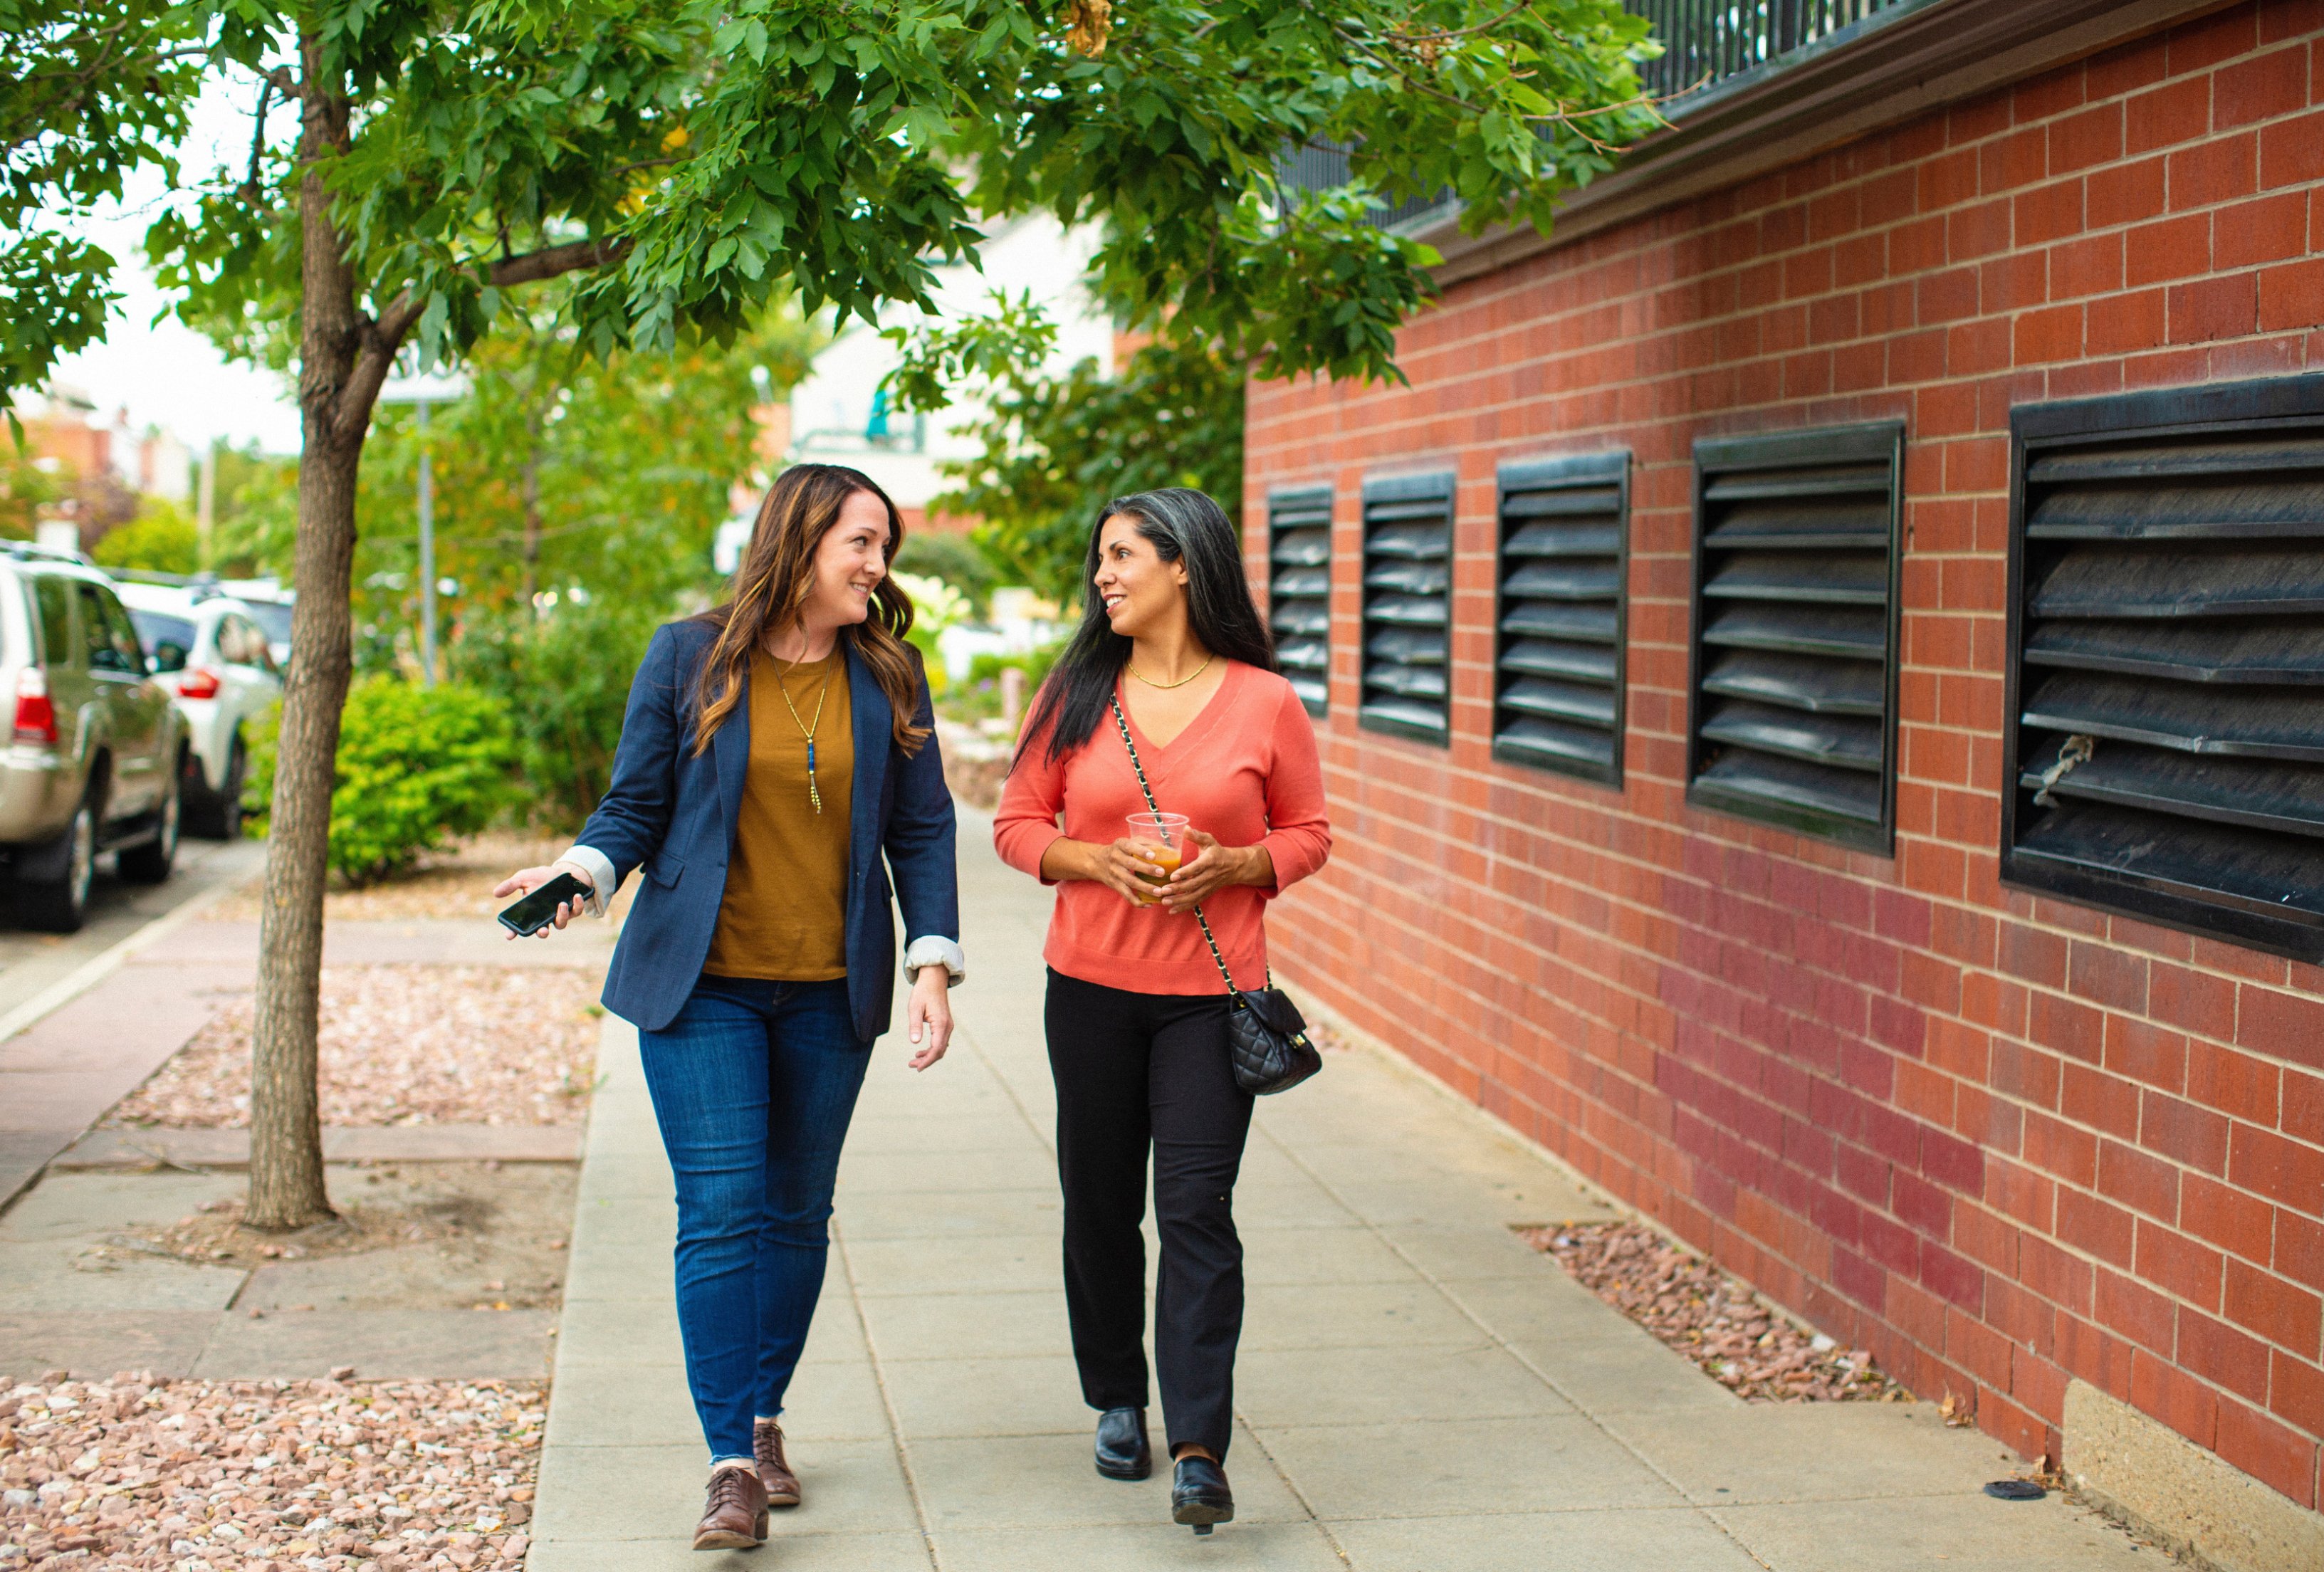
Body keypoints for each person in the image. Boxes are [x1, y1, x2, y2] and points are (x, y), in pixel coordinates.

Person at [495, 463, 963, 1551]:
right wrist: (580, 876)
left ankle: (763, 1414)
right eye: (862, 543)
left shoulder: (889, 672)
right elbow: (636, 803)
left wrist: (931, 963)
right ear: (801, 542)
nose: (877, 565)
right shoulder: (688, 654)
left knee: (797, 1215)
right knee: (720, 1211)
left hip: (828, 989)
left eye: (883, 546)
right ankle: (729, 1466)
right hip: (700, 984)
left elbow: (925, 828)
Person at [993, 487, 1330, 1534]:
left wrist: (1239, 862)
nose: (1105, 575)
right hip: (1089, 992)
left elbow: (1311, 831)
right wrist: (1094, 860)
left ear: (1186, 565)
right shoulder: (1077, 692)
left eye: (1124, 555)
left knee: (1195, 1212)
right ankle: (1115, 1400)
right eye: (1101, 558)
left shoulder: (1266, 702)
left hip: (1208, 1002)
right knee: (1100, 1205)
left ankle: (1198, 1447)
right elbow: (1015, 824)